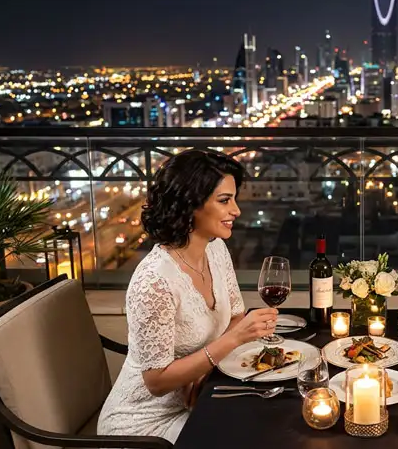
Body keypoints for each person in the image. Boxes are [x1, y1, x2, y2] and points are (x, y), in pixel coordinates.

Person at [98, 149, 278, 443]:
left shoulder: (215, 248)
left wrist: (204, 368)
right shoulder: (154, 281)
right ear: (190, 204)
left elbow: (234, 316)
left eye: (233, 198)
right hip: (143, 426)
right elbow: (156, 383)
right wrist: (230, 342)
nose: (236, 210)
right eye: (224, 201)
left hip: (200, 399)